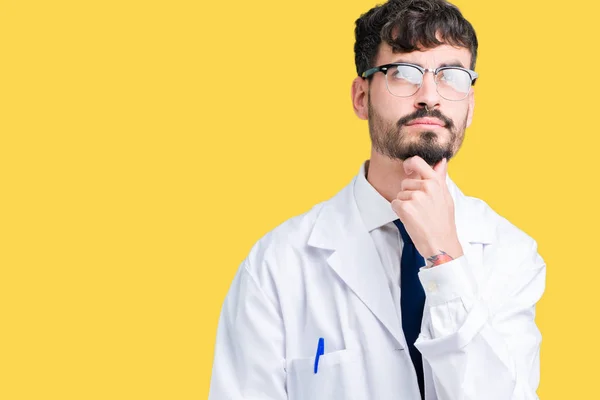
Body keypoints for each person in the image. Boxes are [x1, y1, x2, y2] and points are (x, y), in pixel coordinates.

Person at [208, 0, 546, 399]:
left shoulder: (511, 254)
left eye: (451, 75)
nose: (429, 96)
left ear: (469, 106)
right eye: (404, 73)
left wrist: (445, 259)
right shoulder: (276, 265)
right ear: (360, 96)